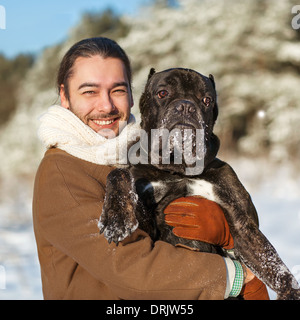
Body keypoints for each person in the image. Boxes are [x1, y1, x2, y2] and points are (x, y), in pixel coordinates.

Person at [32, 37, 269, 300]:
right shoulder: (61, 172)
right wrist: (238, 276)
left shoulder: (144, 157)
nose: (107, 106)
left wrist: (229, 238)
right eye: (90, 91)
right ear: (64, 96)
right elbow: (133, 269)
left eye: (118, 90)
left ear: (134, 97)